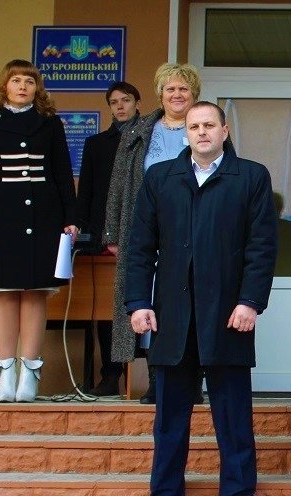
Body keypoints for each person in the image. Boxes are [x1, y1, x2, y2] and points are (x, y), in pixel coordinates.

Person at [126, 101, 277, 496]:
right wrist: (138, 302)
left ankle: (238, 493)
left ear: (225, 131)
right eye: (194, 127)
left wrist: (250, 301)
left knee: (233, 419)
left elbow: (262, 247)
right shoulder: (161, 177)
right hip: (171, 318)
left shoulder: (251, 176)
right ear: (186, 133)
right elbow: (140, 247)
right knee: (169, 421)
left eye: (210, 125)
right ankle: (165, 493)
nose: (202, 132)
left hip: (229, 315)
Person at [0, 59, 77, 402]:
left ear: (37, 87)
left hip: (44, 217)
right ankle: (6, 373)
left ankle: (30, 373)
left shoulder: (50, 123)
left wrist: (70, 218)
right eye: (16, 80)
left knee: (35, 292)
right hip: (1, 218)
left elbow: (62, 173)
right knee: (5, 292)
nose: (23, 86)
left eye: (29, 80)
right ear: (5, 86)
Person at [103, 63, 202, 403]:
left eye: (184, 89)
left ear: (194, 94)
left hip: (195, 232)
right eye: (170, 89)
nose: (177, 94)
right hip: (146, 232)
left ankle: (192, 381)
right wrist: (113, 233)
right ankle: (158, 380)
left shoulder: (206, 126)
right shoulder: (138, 129)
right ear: (160, 94)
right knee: (148, 302)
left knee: (193, 304)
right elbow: (118, 183)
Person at [75, 81, 141, 396]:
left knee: (144, 304)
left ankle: (145, 376)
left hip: (143, 235)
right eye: (114, 102)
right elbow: (86, 192)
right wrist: (86, 232)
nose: (120, 106)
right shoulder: (97, 144)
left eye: (125, 100)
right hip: (107, 240)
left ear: (137, 102)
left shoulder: (149, 139)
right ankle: (111, 375)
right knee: (107, 309)